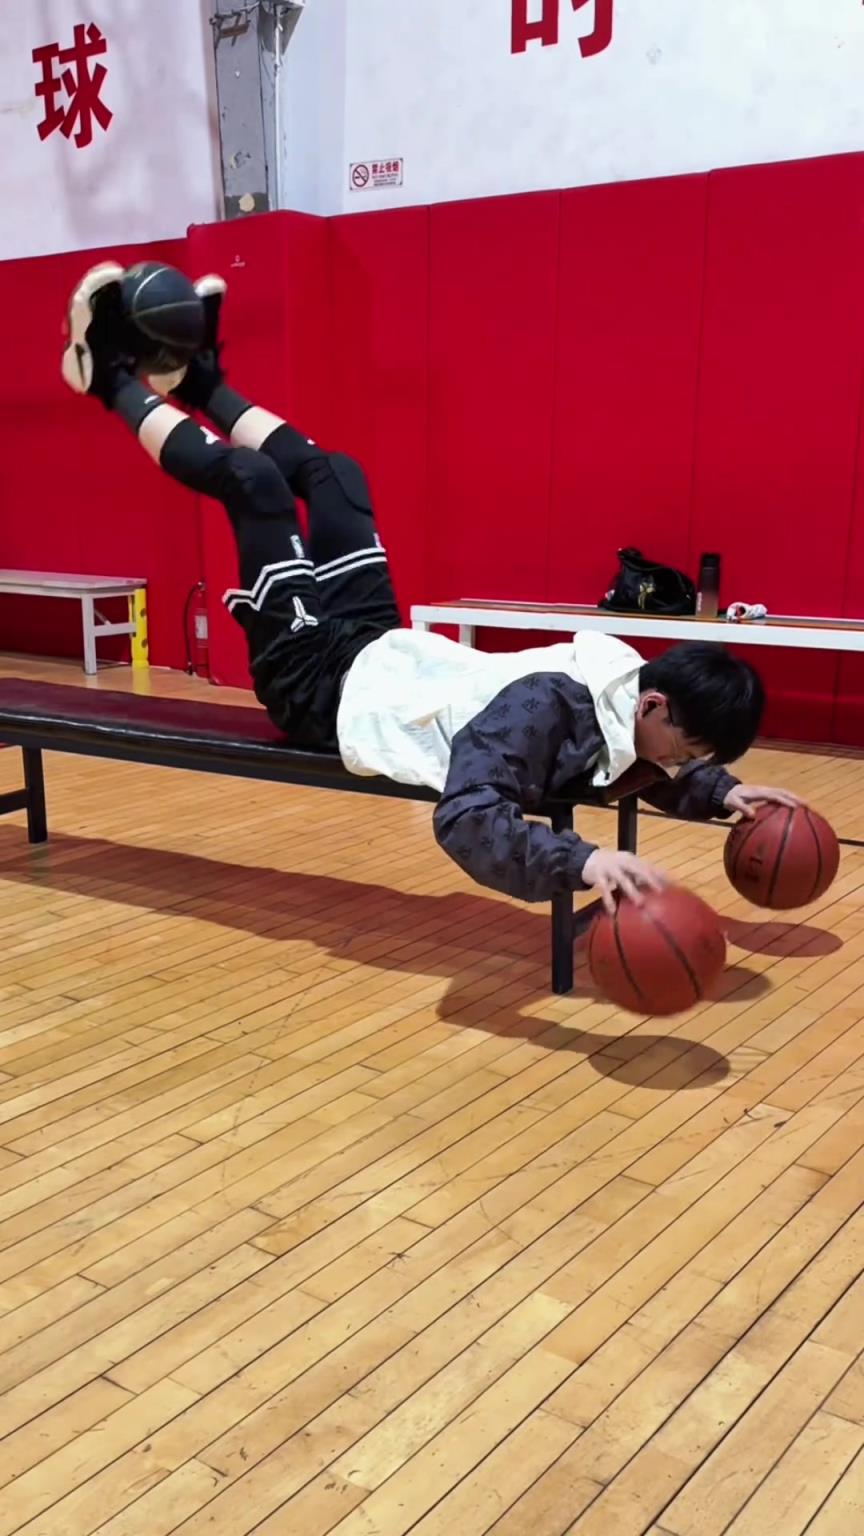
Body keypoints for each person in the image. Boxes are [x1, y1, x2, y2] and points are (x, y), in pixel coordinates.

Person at [62, 262, 801, 915]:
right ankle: (116, 379)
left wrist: (720, 792)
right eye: (686, 750)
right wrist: (581, 860)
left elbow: (629, 759)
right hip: (321, 685)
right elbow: (466, 815)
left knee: (289, 480)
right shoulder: (547, 712)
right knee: (312, 478)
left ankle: (175, 382)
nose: (677, 766)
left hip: (357, 669)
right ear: (654, 703)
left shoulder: (625, 695)